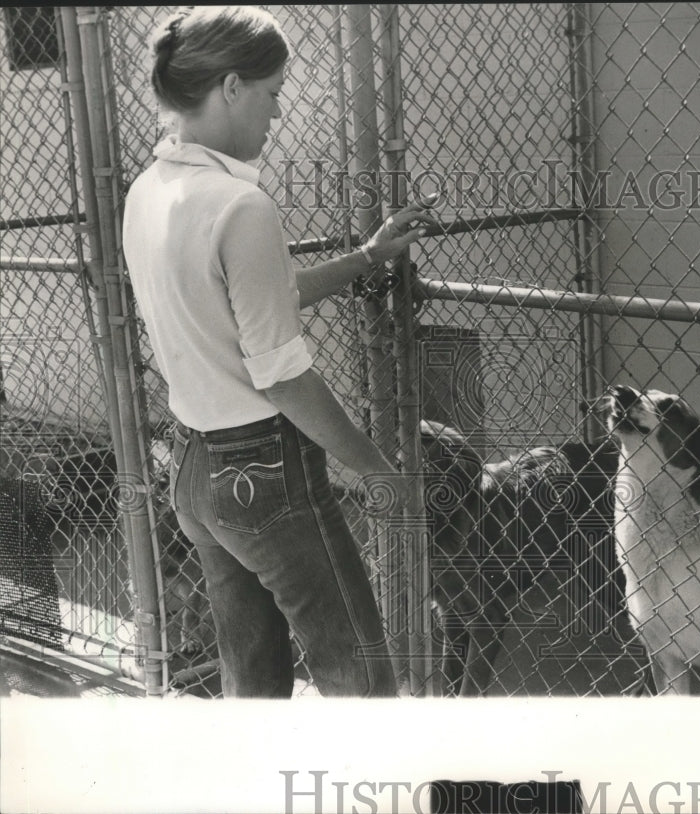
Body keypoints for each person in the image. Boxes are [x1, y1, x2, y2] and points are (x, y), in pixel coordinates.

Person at [122, 6, 437, 698]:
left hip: (197, 469)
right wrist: (378, 471)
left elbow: (253, 301)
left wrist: (365, 258)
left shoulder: (149, 191)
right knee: (360, 676)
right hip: (267, 474)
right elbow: (283, 376)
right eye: (270, 92)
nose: (277, 111)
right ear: (231, 87)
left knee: (253, 678)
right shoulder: (241, 205)